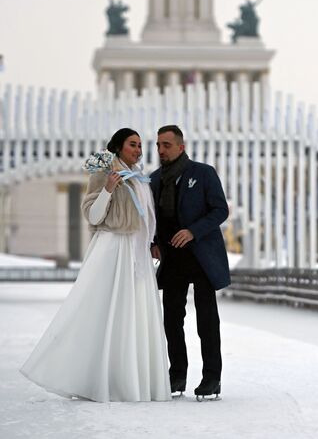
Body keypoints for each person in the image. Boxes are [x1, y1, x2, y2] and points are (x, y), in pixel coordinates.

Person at [20, 128, 171, 403]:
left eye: (140, 145)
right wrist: (108, 190)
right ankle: (101, 379)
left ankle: (135, 381)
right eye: (132, 144)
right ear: (118, 147)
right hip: (115, 250)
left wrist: (151, 242)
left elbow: (147, 217)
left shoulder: (140, 178)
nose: (138, 150)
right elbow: (93, 214)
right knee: (110, 313)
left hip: (138, 254)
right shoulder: (105, 173)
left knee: (136, 314)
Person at [150, 125, 230, 399]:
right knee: (171, 319)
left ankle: (211, 379)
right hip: (172, 259)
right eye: (158, 144)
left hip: (202, 256)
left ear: (181, 147)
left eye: (167, 145)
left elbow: (220, 209)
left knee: (207, 320)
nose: (161, 150)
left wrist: (193, 230)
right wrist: (154, 243)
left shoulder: (203, 173)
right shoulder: (154, 180)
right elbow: (153, 221)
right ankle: (177, 375)